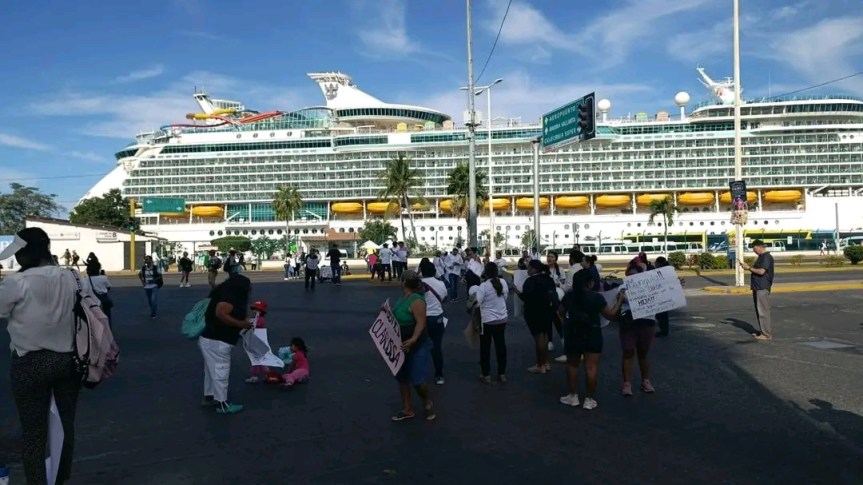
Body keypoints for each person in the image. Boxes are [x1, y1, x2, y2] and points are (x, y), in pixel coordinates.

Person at [0, 228, 84, 484]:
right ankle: (60, 479)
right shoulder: (71, 276)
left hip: (30, 363)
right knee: (65, 427)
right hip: (68, 361)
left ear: (24, 253)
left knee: (34, 432)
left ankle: (37, 481)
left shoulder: (16, 282)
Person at [560, 270, 624, 410]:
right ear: (590, 283)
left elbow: (560, 312)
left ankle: (573, 396)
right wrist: (619, 300)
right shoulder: (597, 298)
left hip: (573, 333)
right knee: (591, 367)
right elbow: (611, 315)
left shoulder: (569, 297)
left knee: (572, 365)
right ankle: (589, 399)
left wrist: (566, 323)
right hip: (592, 332)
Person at [199, 274, 254, 414]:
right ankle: (222, 404)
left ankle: (209, 397)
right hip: (218, 339)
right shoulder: (231, 296)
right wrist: (240, 323)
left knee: (211, 370)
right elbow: (221, 313)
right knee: (220, 371)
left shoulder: (222, 292)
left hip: (209, 338)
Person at [390, 270, 435, 422]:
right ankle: (407, 409)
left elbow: (421, 323)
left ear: (404, 283)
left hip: (416, 344)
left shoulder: (417, 300)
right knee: (402, 378)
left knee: (418, 380)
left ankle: (427, 401)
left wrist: (414, 339)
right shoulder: (403, 297)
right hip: (401, 344)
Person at [618, 259, 657, 396]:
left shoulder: (650, 287)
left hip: (647, 322)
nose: (632, 277)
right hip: (629, 323)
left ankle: (645, 381)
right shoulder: (622, 288)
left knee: (643, 354)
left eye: (635, 275)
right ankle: (627, 383)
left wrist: (676, 284)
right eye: (630, 275)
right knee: (628, 352)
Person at [513, 260, 557, 374]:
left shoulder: (531, 281)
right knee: (545, 336)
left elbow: (525, 297)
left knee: (538, 338)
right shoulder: (548, 278)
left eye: (529, 268)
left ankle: (540, 364)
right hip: (548, 310)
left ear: (534, 269)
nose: (527, 270)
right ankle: (546, 362)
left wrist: (516, 290)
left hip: (534, 311)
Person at [471, 262, 510, 383]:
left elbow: (477, 303)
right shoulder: (502, 282)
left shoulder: (483, 286)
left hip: (487, 320)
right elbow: (505, 297)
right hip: (502, 318)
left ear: (485, 273)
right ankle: (502, 373)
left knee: (485, 347)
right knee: (500, 346)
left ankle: (486, 374)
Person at [739, 239, 775, 341]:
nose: (754, 251)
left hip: (762, 287)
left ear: (760, 247)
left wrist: (748, 268)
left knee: (763, 311)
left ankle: (767, 334)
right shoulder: (761, 257)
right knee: (759, 310)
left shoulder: (766, 257)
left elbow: (761, 271)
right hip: (757, 286)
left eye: (755, 249)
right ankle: (763, 331)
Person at [419, 259, 448, 385]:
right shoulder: (440, 283)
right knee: (436, 347)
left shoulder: (418, 284)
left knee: (420, 347)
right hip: (437, 318)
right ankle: (439, 375)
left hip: (422, 319)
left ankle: (419, 374)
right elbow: (445, 298)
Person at [245, 300, 270, 384]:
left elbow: (254, 325)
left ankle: (255, 375)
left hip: (257, 341)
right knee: (258, 358)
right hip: (256, 340)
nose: (254, 311)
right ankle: (266, 372)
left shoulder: (260, 319)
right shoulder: (258, 318)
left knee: (255, 359)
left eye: (256, 309)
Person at [84, 261, 113, 328]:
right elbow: (108, 287)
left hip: (92, 301)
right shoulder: (103, 278)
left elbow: (85, 290)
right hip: (104, 299)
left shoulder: (86, 279)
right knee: (107, 317)